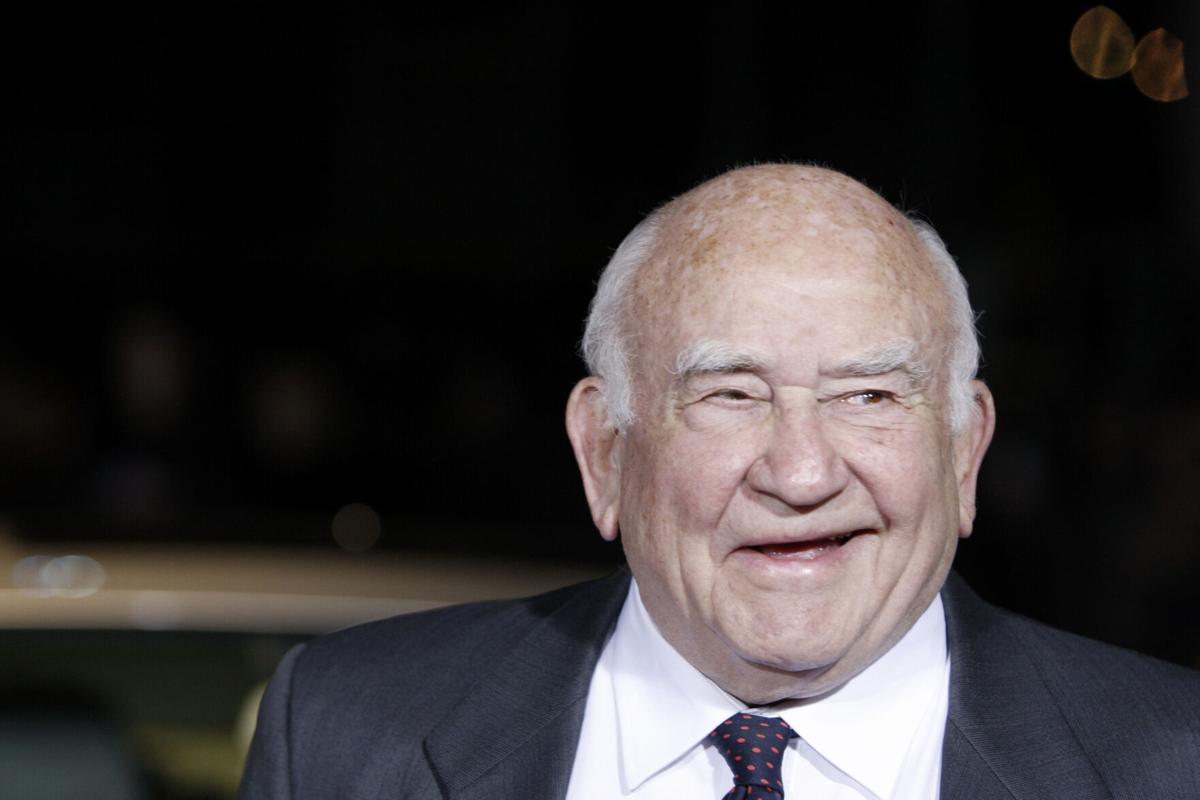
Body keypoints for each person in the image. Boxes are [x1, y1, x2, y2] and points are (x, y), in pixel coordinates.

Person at [239, 165, 1200, 800]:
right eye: (730, 394)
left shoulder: (1170, 762)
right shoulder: (344, 731)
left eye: (868, 394)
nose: (802, 473)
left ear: (963, 452)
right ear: (605, 453)